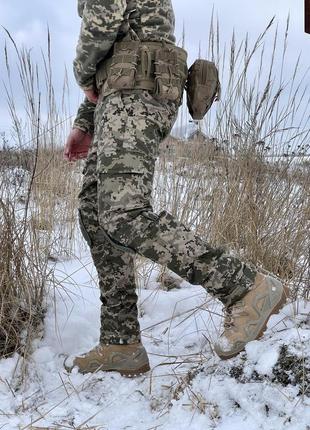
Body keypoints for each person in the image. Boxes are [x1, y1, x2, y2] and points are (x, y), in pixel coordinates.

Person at [64, 0, 289, 376]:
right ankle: (122, 343)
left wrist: (84, 76)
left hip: (135, 90)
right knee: (95, 213)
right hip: (120, 91)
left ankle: (246, 288)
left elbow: (104, 16)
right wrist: (86, 120)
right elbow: (120, 37)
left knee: (124, 215)